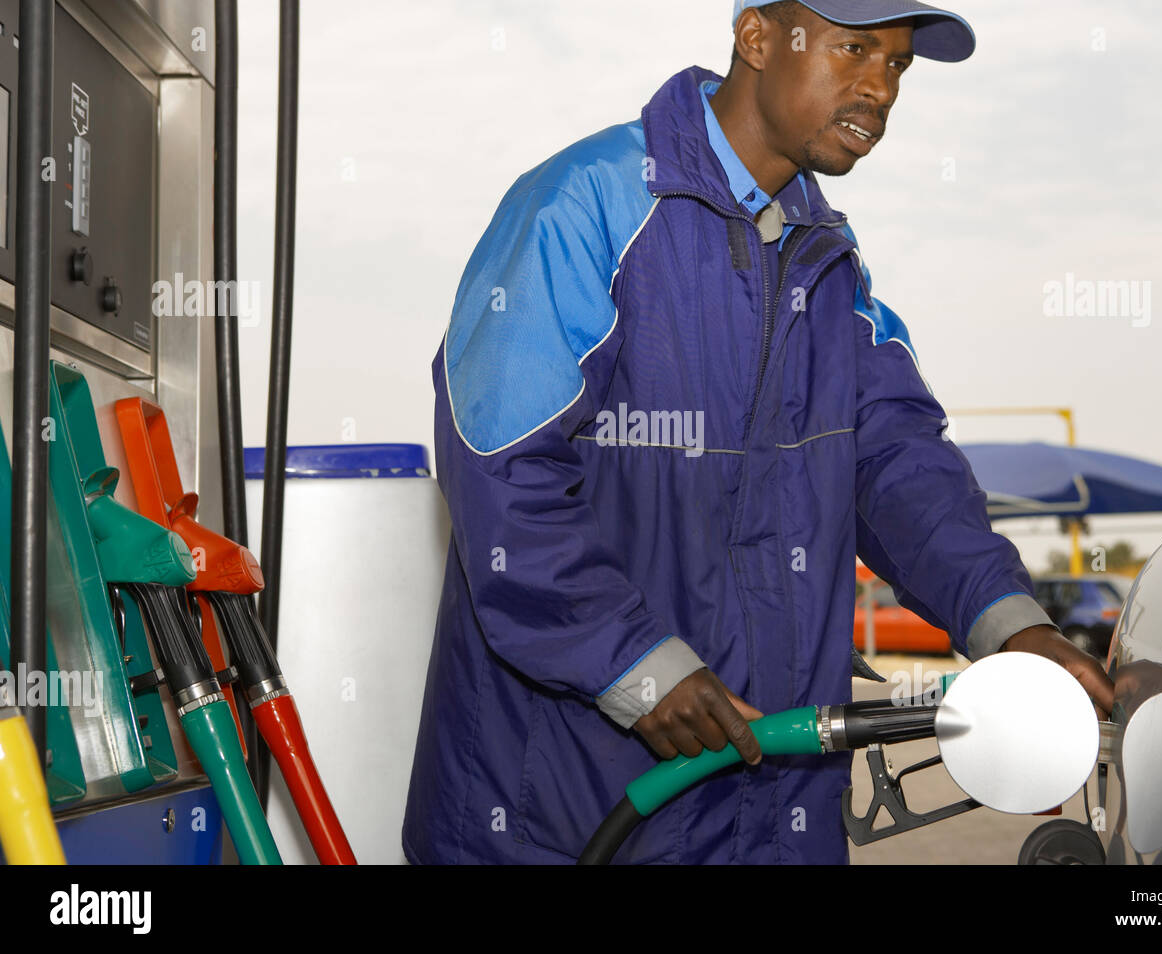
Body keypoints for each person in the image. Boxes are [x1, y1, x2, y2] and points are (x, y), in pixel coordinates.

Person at [403, 0, 1114, 865]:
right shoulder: (582, 209)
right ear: (757, 39)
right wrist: (635, 664)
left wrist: (1010, 625)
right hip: (566, 813)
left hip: (776, 812)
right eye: (855, 49)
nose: (881, 87)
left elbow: (898, 466)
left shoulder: (829, 262)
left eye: (897, 65)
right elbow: (503, 480)